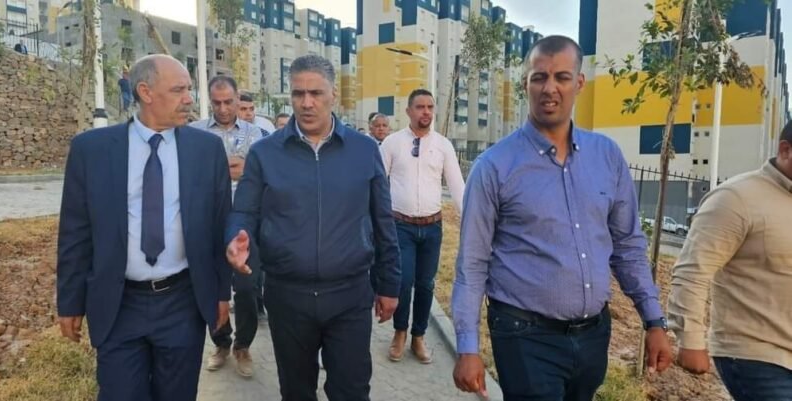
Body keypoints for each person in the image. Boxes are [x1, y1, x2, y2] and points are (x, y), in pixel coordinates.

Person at [451, 35, 673, 400]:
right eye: (539, 77)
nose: (549, 88)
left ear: (579, 83)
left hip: (593, 336)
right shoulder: (494, 167)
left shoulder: (607, 157)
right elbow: (472, 263)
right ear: (525, 83)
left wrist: (653, 320)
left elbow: (628, 246)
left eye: (562, 77)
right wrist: (467, 346)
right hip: (524, 336)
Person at [56, 54, 232, 401]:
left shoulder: (206, 150)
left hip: (182, 303)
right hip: (118, 303)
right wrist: (70, 302)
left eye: (189, 90)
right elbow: (75, 232)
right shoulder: (92, 151)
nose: (189, 99)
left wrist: (221, 292)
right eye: (179, 90)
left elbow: (219, 226)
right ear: (145, 92)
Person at [226, 54, 401, 401]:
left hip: (349, 295)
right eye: (298, 93)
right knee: (296, 392)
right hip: (288, 297)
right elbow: (244, 211)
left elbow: (383, 220)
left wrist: (390, 284)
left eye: (316, 93)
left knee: (352, 391)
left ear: (334, 94)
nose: (306, 103)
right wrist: (236, 237)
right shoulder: (265, 153)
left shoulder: (364, 150)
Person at [668, 123, 792, 401]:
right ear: (785, 150)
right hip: (757, 355)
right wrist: (690, 339)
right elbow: (693, 271)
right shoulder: (737, 199)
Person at [380, 89, 464, 364]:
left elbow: (457, 186)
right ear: (408, 111)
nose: (426, 112)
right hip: (400, 226)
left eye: (430, 107)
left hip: (432, 227)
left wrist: (470, 222)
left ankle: (418, 336)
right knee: (403, 283)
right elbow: (378, 183)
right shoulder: (392, 143)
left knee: (426, 284)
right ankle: (400, 333)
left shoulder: (443, 145)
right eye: (420, 107)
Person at [189, 75, 264, 377]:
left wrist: (246, 170)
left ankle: (243, 345)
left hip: (247, 223)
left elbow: (261, 174)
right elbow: (190, 175)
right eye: (216, 103)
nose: (222, 108)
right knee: (211, 285)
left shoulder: (256, 134)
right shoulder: (194, 133)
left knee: (246, 287)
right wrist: (223, 169)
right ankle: (221, 342)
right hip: (208, 221)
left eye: (228, 102)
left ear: (238, 99)